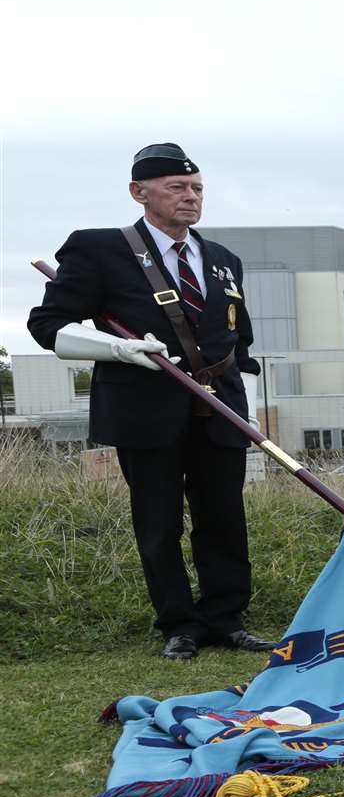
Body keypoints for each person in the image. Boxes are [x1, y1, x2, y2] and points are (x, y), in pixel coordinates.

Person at [27, 144, 274, 660]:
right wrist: (119, 348)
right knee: (159, 523)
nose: (191, 197)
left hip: (220, 408)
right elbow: (48, 327)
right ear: (140, 193)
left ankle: (226, 618)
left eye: (198, 188)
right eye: (177, 188)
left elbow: (239, 340)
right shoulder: (99, 249)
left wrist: (240, 393)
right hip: (144, 408)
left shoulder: (223, 261)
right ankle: (179, 625)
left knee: (224, 518)